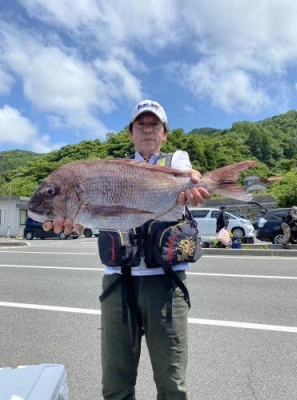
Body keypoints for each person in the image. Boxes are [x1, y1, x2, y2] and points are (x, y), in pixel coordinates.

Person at [44, 99, 210, 399]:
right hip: (118, 281)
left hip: (166, 282)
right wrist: (71, 222)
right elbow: (92, 219)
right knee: (115, 384)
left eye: (154, 125)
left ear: (165, 133)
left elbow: (189, 175)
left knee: (173, 385)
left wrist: (195, 184)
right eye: (141, 125)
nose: (148, 130)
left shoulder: (176, 161)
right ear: (131, 133)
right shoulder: (111, 170)